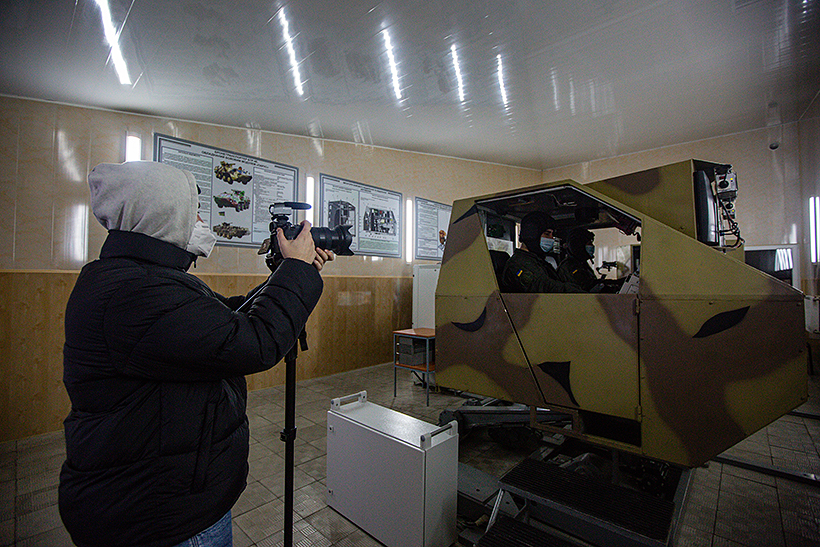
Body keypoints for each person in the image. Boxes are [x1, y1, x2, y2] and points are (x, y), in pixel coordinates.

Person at [58, 161, 332, 547]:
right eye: (194, 211)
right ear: (162, 215)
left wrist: (291, 273)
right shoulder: (137, 293)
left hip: (161, 497)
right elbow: (254, 342)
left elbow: (228, 319)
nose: (202, 221)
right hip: (166, 517)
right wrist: (295, 273)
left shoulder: (138, 278)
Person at [501, 211, 584, 293]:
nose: (552, 239)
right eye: (547, 234)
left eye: (552, 235)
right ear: (532, 234)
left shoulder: (538, 262)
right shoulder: (519, 264)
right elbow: (547, 288)